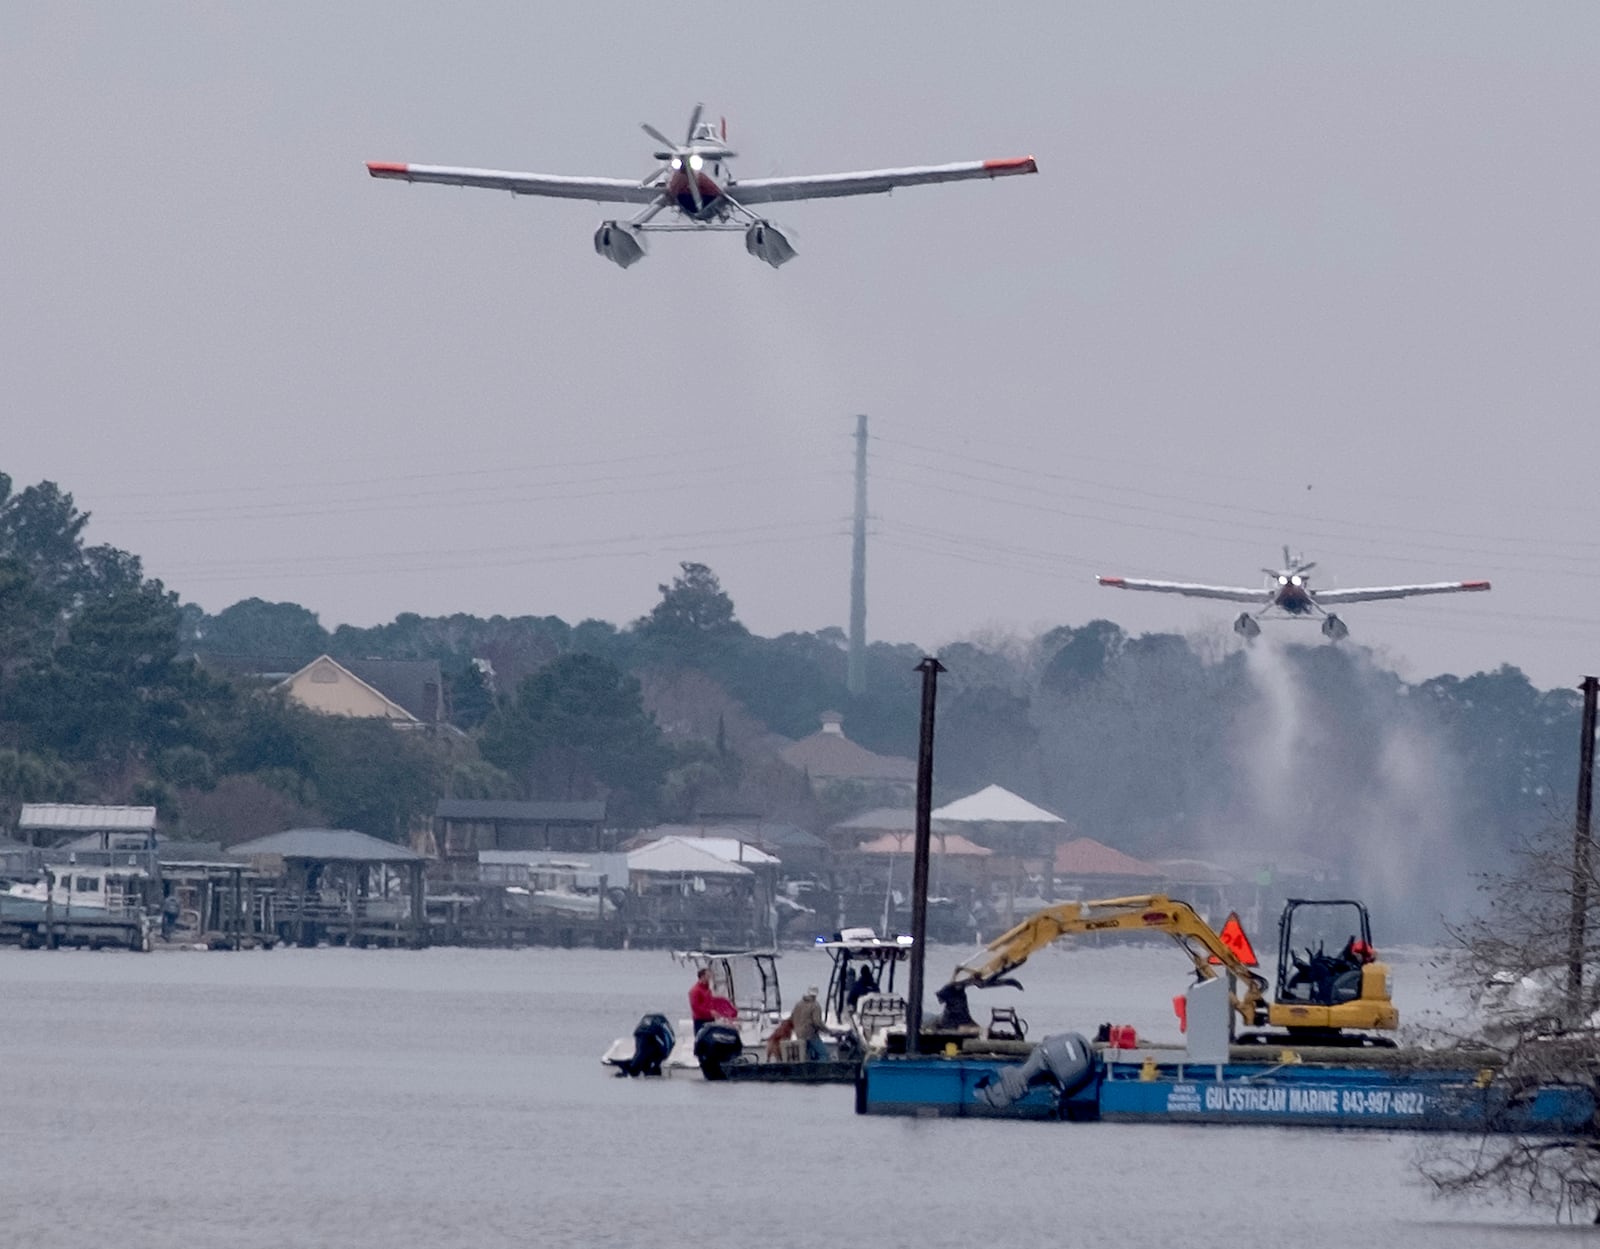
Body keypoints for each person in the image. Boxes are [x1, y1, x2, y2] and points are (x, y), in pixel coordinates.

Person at [688, 966, 736, 1035]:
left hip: (710, 1019)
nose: (710, 978)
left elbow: (711, 1002)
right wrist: (710, 1012)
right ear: (702, 976)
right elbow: (696, 1008)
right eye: (708, 976)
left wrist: (724, 1009)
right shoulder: (695, 991)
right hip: (701, 1020)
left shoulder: (707, 989)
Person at [789, 985, 828, 1061]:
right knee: (823, 1054)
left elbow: (792, 1018)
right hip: (811, 1035)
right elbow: (817, 1022)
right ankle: (821, 1071)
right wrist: (827, 1030)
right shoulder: (815, 1005)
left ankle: (808, 1071)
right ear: (816, 994)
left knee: (807, 1056)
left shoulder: (798, 1004)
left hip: (799, 1035)